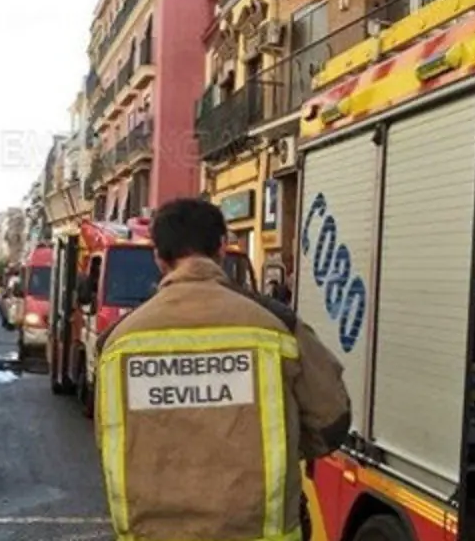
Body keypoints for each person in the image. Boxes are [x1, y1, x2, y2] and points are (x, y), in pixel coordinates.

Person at [94, 198, 351, 540]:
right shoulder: (277, 326)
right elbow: (332, 420)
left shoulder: (118, 343)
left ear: (158, 257)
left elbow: (107, 436)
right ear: (221, 248)